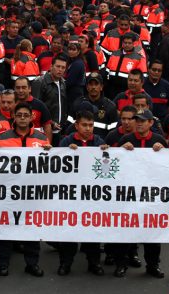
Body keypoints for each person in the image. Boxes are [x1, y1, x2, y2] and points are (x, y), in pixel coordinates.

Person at [0, 101, 50, 277]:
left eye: (26, 115)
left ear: (31, 117)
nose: (22, 118)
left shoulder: (40, 138)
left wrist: (50, 152)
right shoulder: (2, 137)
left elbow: (49, 164)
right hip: (8, 192)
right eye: (19, 115)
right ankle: (3, 263)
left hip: (32, 193)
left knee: (31, 229)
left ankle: (32, 264)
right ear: (13, 117)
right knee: (5, 228)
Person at [117, 109, 167, 279]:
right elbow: (116, 163)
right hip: (130, 194)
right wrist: (122, 150)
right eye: (136, 120)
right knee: (126, 231)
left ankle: (153, 265)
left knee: (152, 232)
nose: (138, 123)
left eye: (142, 120)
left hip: (151, 195)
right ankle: (122, 264)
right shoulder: (126, 140)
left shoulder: (159, 140)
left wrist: (163, 151)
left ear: (151, 123)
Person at [56, 110, 105, 276]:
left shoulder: (98, 141)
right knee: (69, 231)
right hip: (71, 195)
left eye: (91, 125)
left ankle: (94, 263)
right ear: (76, 125)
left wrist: (106, 152)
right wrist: (66, 152)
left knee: (92, 231)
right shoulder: (66, 141)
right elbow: (57, 166)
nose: (88, 128)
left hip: (92, 195)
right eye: (84, 125)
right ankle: (65, 263)